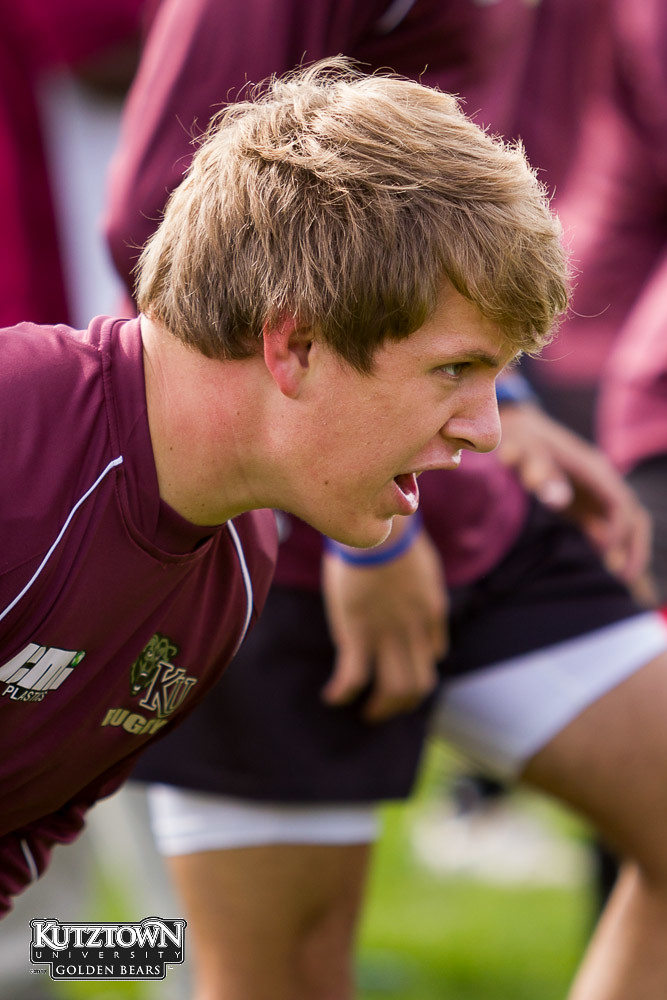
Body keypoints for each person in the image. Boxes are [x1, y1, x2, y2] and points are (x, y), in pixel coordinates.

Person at [0, 58, 567, 916]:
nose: (485, 430)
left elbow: (20, 832)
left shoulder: (235, 566)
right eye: (454, 368)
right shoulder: (17, 434)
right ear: (294, 346)